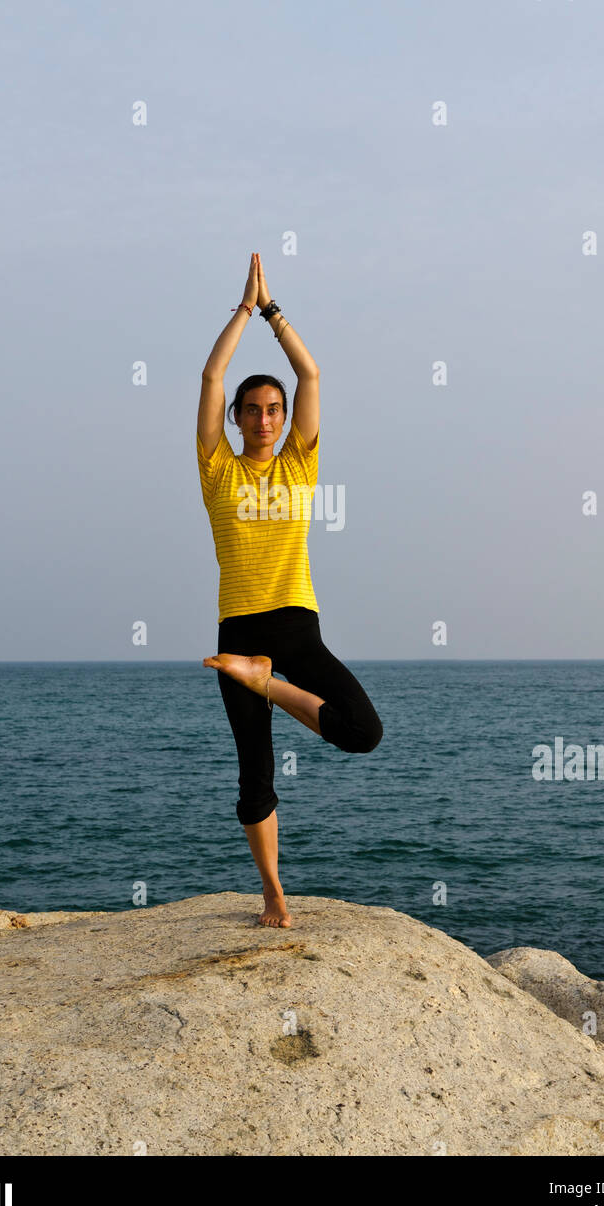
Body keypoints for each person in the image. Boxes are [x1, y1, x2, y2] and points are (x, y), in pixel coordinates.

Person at [197, 253, 383, 928]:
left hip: (294, 630)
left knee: (362, 731)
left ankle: (263, 682)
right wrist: (241, 311)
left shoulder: (300, 463)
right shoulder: (217, 468)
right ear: (237, 420)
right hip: (238, 629)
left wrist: (274, 311)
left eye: (274, 410)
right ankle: (273, 894)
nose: (267, 419)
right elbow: (212, 374)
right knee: (256, 773)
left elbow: (310, 371)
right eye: (253, 411)